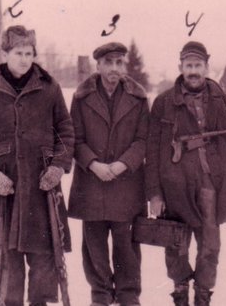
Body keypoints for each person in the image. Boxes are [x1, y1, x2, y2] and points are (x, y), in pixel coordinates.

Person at [0, 25, 74, 306]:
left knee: (43, 257)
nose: (24, 59)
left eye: (29, 53)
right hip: (7, 186)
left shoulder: (49, 87)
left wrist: (58, 166)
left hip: (42, 186)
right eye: (18, 53)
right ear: (6, 54)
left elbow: (65, 130)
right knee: (9, 260)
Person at [145, 41, 226, 306]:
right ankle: (180, 294)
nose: (193, 71)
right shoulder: (164, 102)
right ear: (180, 67)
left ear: (206, 67)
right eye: (188, 65)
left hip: (211, 184)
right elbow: (152, 150)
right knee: (176, 246)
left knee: (210, 246)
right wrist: (154, 193)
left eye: (198, 65)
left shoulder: (221, 99)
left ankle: (203, 295)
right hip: (173, 185)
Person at [68, 42, 149, 306]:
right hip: (92, 183)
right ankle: (100, 295)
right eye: (109, 62)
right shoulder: (81, 98)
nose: (114, 68)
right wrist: (93, 164)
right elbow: (74, 139)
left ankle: (128, 295)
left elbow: (143, 139)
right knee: (94, 247)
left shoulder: (138, 98)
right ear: (99, 65)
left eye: (119, 63)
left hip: (126, 184)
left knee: (127, 245)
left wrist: (123, 164)